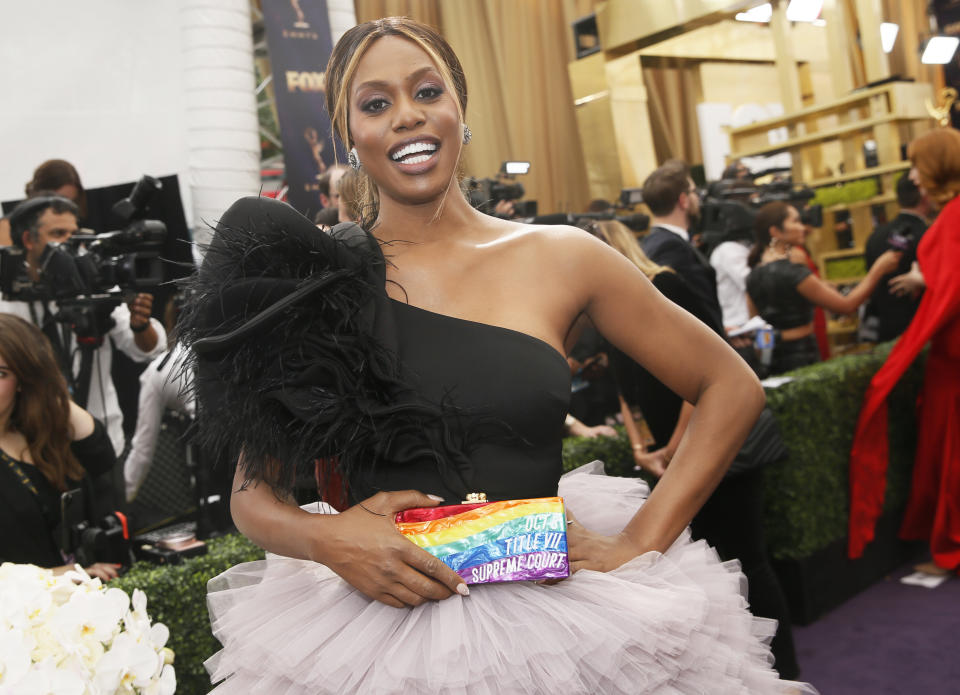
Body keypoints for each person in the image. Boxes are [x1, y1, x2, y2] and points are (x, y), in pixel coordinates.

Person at [179, 18, 814, 693]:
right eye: (375, 103)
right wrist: (333, 540)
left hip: (565, 625)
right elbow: (254, 494)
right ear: (350, 133)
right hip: (380, 639)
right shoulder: (314, 283)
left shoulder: (563, 257)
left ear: (460, 108)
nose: (406, 117)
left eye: (427, 91)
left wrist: (638, 543)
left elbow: (730, 386)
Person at [592, 219, 800, 679]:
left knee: (747, 560)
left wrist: (675, 446)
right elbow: (625, 389)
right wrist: (642, 446)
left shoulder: (664, 284)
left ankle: (780, 675)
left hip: (712, 450)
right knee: (700, 570)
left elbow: (710, 373)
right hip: (664, 457)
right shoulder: (597, 309)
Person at [849, 128, 960, 574]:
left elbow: (950, 290)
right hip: (949, 360)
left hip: (953, 362)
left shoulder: (952, 218)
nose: (913, 175)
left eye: (917, 164)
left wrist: (925, 283)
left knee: (952, 457)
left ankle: (952, 550)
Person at [0, 195, 167, 456]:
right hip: (35, 450)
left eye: (74, 233)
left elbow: (147, 350)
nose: (70, 243)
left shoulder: (95, 285)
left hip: (103, 443)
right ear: (29, 241)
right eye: (58, 233)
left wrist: (140, 324)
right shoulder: (7, 305)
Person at [0, 313, 120, 581]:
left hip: (74, 603)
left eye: (1, 373)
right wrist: (52, 577)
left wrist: (48, 387)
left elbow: (101, 455)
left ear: (22, 380)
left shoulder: (40, 436)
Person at [745, 201, 901, 374]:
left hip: (772, 364)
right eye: (795, 221)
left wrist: (769, 351)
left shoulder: (753, 276)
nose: (802, 227)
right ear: (775, 232)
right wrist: (878, 269)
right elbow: (846, 306)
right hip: (803, 361)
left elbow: (757, 329)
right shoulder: (793, 273)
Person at [640, 159, 725, 333]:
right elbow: (698, 311)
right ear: (683, 200)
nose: (698, 198)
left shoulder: (649, 242)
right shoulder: (672, 247)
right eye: (694, 191)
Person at [862, 175, 931, 342]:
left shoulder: (876, 235)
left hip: (885, 329)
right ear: (924, 196)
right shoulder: (929, 235)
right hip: (923, 329)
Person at [0, 159, 87, 247]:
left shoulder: (69, 228)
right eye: (60, 200)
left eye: (72, 201)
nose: (65, 208)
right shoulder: (7, 227)